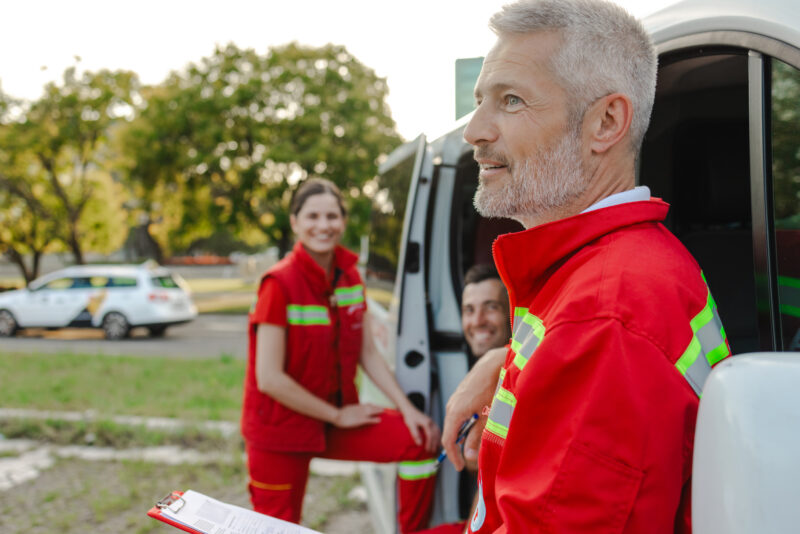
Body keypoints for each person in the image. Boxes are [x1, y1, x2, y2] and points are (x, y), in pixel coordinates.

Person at [440, 1, 733, 533]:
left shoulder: (604, 311)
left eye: (510, 100)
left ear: (605, 123)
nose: (475, 131)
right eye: (481, 100)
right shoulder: (610, 273)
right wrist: (502, 364)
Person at [241, 177, 440, 533]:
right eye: (313, 216)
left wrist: (408, 411)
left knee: (419, 441)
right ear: (295, 222)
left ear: (343, 221)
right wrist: (337, 414)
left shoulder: (350, 278)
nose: (323, 225)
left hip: (336, 419)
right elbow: (269, 379)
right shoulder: (278, 283)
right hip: (281, 430)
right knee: (278, 529)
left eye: (332, 216)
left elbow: (369, 353)